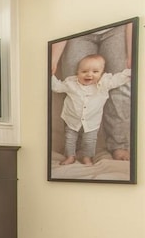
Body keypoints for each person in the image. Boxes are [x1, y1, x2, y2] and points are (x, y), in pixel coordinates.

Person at [51, 22, 133, 161]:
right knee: (73, 81)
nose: (90, 75)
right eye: (86, 72)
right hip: (77, 30)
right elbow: (58, 86)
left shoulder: (104, 82)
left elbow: (119, 79)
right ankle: (73, 149)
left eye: (95, 72)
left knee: (120, 87)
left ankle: (119, 144)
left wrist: (132, 58)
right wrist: (52, 61)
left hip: (117, 29)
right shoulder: (71, 83)